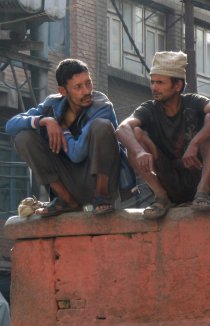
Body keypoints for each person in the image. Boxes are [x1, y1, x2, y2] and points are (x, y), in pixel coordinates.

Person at [5, 59, 135, 216]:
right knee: (23, 137)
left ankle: (102, 196)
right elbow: (10, 125)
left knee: (102, 126)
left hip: (97, 179)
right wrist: (44, 120)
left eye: (88, 83)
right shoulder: (52, 105)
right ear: (63, 91)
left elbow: (77, 154)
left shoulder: (102, 106)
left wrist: (62, 130)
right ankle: (66, 200)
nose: (87, 91)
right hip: (69, 182)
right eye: (78, 87)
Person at [116, 51, 210, 219]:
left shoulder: (193, 102)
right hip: (168, 181)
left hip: (197, 173)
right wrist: (139, 151)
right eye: (152, 82)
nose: (154, 87)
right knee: (135, 134)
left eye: (160, 82)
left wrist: (195, 142)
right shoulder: (149, 108)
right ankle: (161, 196)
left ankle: (203, 191)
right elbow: (122, 127)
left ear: (178, 86)